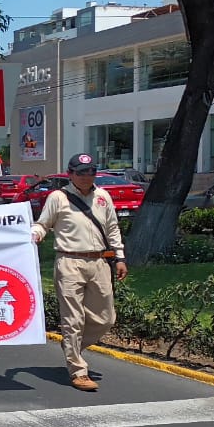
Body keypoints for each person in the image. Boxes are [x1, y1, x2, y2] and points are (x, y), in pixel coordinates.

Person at [31, 153, 128, 392]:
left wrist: (120, 256)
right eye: (81, 172)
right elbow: (43, 223)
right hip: (69, 261)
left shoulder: (103, 196)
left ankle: (72, 347)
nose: (87, 176)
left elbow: (113, 227)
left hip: (99, 262)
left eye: (91, 171)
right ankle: (78, 370)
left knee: (106, 318)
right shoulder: (58, 197)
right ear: (70, 174)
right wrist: (35, 234)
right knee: (72, 319)